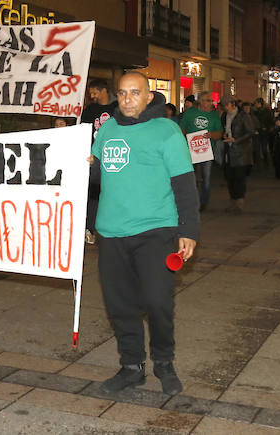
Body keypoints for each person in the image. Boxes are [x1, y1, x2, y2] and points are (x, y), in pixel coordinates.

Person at [90, 71, 198, 396]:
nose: (127, 100)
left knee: (157, 301)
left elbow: (184, 184)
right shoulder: (107, 129)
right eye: (122, 93)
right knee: (120, 304)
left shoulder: (166, 131)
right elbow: (98, 182)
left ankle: (164, 362)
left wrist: (189, 230)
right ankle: (131, 366)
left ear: (149, 97)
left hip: (156, 231)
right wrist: (87, 170)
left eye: (134, 93)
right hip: (111, 232)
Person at [81, 79, 119, 244]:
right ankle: (89, 228)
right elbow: (83, 130)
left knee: (113, 192)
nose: (93, 96)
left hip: (115, 156)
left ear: (103, 90)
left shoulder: (117, 108)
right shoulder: (90, 110)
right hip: (94, 157)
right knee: (94, 192)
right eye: (91, 94)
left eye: (94, 93)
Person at [178, 91, 223, 211]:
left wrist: (211, 135)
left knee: (206, 178)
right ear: (201, 101)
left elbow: (219, 133)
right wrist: (186, 139)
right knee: (190, 177)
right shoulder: (190, 113)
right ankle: (191, 201)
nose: (211, 103)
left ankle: (204, 201)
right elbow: (181, 128)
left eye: (211, 101)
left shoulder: (214, 115)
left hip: (207, 152)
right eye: (209, 100)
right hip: (190, 150)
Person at [221, 99, 257, 211]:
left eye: (227, 105)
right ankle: (233, 200)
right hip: (229, 150)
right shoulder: (225, 116)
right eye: (224, 106)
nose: (225, 108)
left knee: (239, 176)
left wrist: (236, 140)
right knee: (230, 176)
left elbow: (250, 132)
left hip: (241, 151)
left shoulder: (243, 116)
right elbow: (225, 128)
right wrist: (225, 135)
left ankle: (239, 201)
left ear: (233, 105)